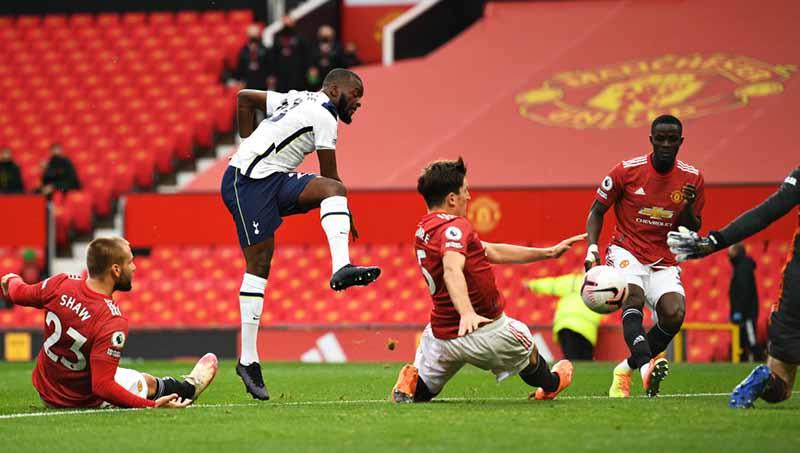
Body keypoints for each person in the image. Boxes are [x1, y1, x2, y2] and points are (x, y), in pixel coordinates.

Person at [222, 68, 381, 401]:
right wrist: (247, 148)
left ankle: (341, 267)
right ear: (335, 89)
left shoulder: (298, 97)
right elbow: (330, 174)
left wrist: (247, 141)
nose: (357, 104)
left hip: (275, 179)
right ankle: (248, 360)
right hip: (247, 182)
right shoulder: (324, 116)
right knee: (260, 264)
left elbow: (245, 98)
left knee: (334, 190)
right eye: (355, 96)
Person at [391, 158, 585, 403]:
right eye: (465, 190)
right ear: (452, 198)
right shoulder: (456, 227)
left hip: (441, 335)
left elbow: (491, 251)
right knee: (529, 349)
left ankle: (410, 387)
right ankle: (552, 384)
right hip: (485, 329)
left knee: (423, 393)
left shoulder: (425, 228)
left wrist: (547, 253)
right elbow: (452, 268)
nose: (469, 196)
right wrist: (467, 313)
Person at [0, 237, 217, 409]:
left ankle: (184, 388)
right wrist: (149, 405)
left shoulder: (60, 283)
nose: (134, 268)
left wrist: (11, 280)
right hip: (81, 399)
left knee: (127, 376)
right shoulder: (111, 321)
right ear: (115, 270)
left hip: (46, 389)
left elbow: (19, 293)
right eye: (130, 262)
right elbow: (102, 386)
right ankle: (189, 389)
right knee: (147, 383)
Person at [585, 114, 705, 398]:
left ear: (680, 142)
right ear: (651, 140)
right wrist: (592, 247)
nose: (665, 144)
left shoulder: (692, 179)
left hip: (665, 256)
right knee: (634, 298)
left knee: (674, 315)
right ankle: (646, 368)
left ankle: (625, 368)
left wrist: (687, 205)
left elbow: (692, 226)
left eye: (672, 140)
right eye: (660, 139)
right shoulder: (626, 171)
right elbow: (596, 211)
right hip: (627, 250)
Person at [667, 166, 800, 409]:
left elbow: (768, 211)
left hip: (796, 284)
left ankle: (763, 378)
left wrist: (715, 241)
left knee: (781, 384)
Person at [527, 273, 603, 360]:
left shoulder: (573, 281)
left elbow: (552, 285)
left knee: (571, 360)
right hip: (587, 328)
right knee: (585, 361)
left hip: (566, 324)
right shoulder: (601, 287)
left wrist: (531, 285)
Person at [727, 243, 762, 362]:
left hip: (747, 312)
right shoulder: (739, 267)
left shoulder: (743, 267)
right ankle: (745, 362)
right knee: (742, 341)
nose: (728, 253)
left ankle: (761, 362)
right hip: (743, 311)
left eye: (731, 250)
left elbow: (744, 291)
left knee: (751, 340)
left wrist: (739, 311)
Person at [271, 16, 309, 92]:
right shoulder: (277, 36)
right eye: (285, 21)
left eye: (289, 21)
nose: (287, 23)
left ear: (293, 22)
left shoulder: (300, 36)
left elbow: (306, 54)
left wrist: (306, 70)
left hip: (297, 73)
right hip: (281, 74)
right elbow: (273, 56)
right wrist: (273, 73)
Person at [234, 24, 271, 91]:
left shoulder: (265, 50)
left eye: (255, 34)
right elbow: (240, 67)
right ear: (248, 35)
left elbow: (269, 65)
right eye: (252, 34)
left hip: (262, 82)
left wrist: (270, 77)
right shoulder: (243, 51)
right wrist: (239, 80)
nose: (253, 36)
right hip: (248, 83)